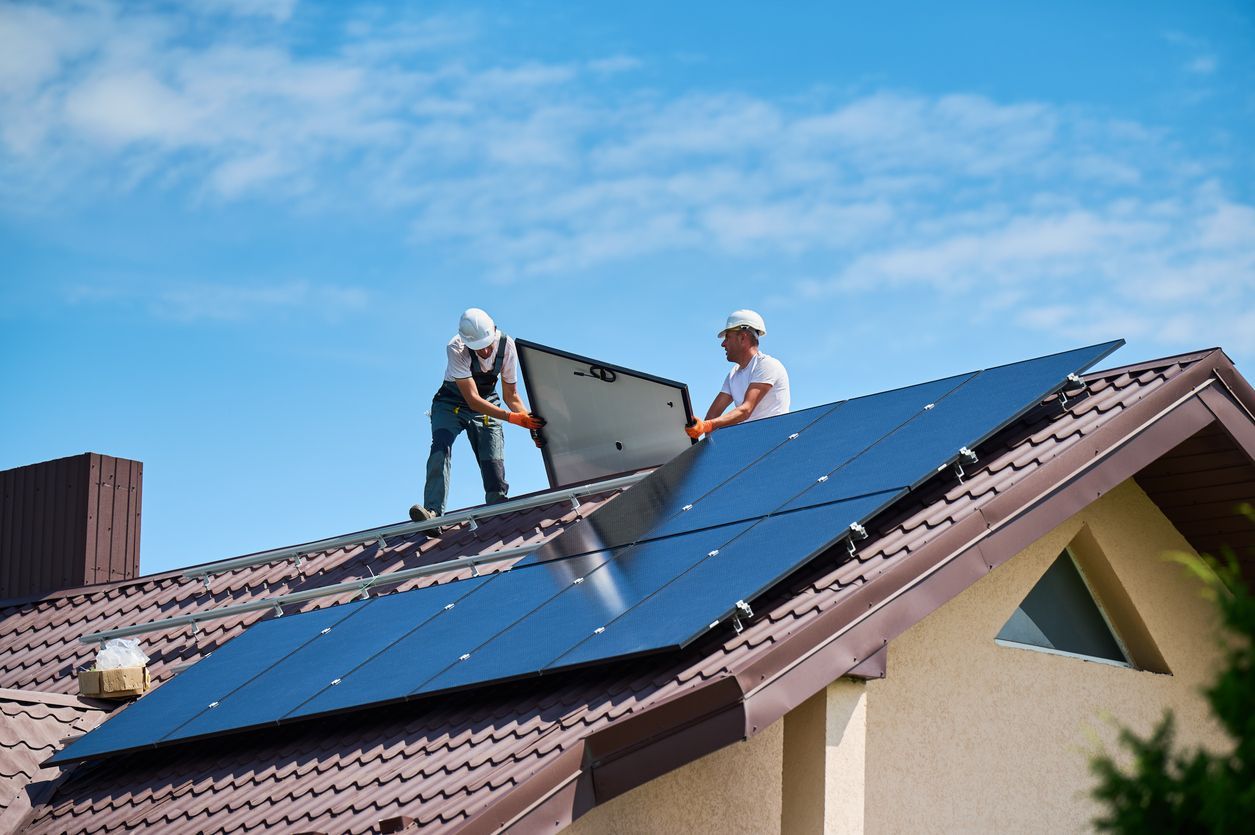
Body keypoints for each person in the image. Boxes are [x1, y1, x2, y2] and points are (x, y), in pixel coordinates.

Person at [410, 308, 544, 528]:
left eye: (487, 345)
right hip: (451, 403)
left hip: (488, 402)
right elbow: (472, 399)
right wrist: (512, 418)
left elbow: (511, 395)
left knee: (492, 458)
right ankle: (433, 513)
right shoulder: (456, 347)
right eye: (478, 348)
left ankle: (497, 506)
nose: (484, 351)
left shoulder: (507, 346)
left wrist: (531, 424)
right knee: (440, 447)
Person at [686, 309, 790, 439]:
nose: (723, 344)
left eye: (728, 337)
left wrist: (708, 425)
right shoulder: (733, 375)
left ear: (742, 338)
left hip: (774, 441)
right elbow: (712, 417)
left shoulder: (767, 365)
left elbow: (745, 410)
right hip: (749, 442)